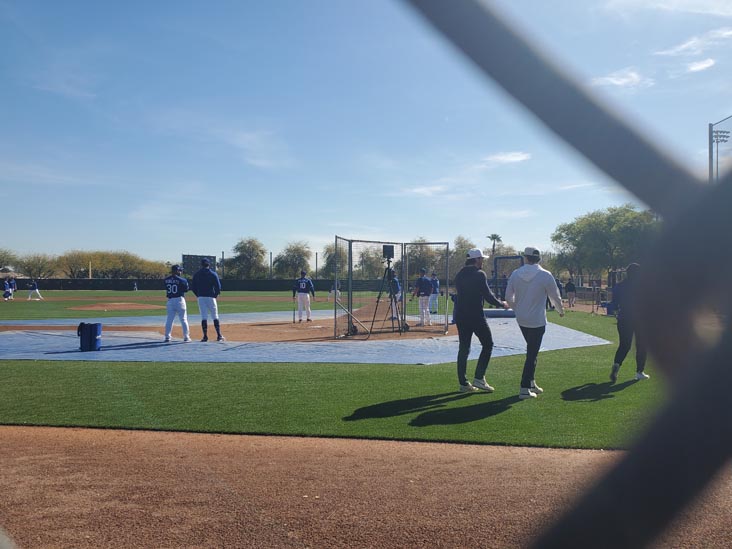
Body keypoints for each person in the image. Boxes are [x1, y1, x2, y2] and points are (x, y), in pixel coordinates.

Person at [505, 247, 564, 400]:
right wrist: (560, 310)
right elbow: (555, 296)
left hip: (521, 319)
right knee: (532, 354)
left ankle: (531, 383)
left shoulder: (515, 274)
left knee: (532, 351)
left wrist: (516, 308)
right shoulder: (545, 275)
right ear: (539, 259)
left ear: (526, 258)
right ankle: (524, 388)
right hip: (537, 320)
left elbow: (507, 296)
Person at [453, 248, 508, 393]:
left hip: (461, 315)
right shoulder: (479, 274)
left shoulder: (459, 274)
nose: (483, 261)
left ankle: (464, 383)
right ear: (476, 259)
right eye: (481, 259)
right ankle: (479, 377)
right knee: (488, 344)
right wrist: (502, 304)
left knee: (464, 348)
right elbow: (488, 295)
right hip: (475, 316)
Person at [610, 263, 649, 382]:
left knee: (624, 345)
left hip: (624, 318)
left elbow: (614, 304)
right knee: (641, 346)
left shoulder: (619, 286)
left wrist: (617, 313)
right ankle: (639, 372)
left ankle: (616, 365)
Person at [191, 258, 224, 342]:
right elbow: (218, 287)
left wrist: (198, 295)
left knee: (204, 317)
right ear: (208, 264)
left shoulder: (197, 274)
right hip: (211, 297)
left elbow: (193, 287)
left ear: (201, 265)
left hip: (201, 297)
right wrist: (215, 295)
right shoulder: (213, 274)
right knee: (215, 316)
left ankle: (205, 336)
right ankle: (219, 336)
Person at [163, 265, 191, 343]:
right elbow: (186, 290)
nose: (181, 272)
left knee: (169, 319)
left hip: (170, 300)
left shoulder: (166, 279)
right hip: (179, 300)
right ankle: (186, 337)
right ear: (177, 271)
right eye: (180, 271)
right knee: (183, 319)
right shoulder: (182, 280)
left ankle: (167, 337)